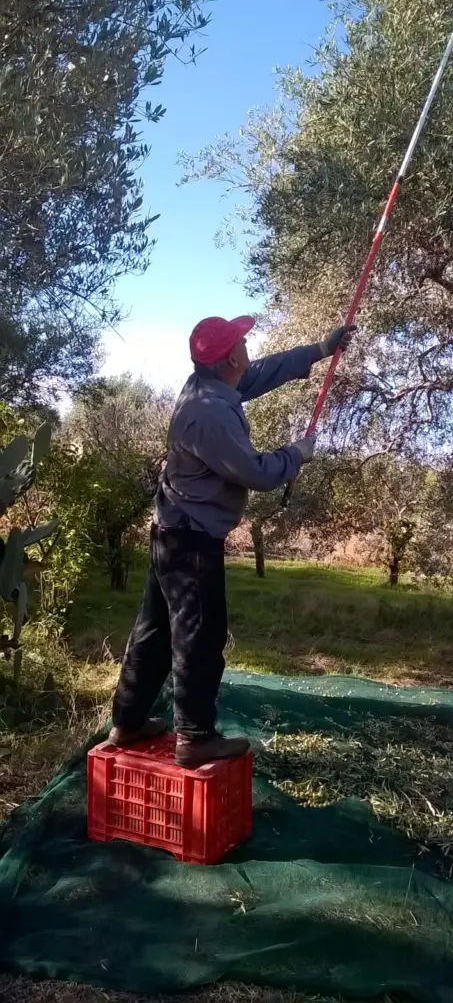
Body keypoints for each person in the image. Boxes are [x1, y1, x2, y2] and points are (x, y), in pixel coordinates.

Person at [109, 314, 355, 766]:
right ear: (230, 356)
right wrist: (296, 454)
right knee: (199, 637)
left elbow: (256, 375)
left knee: (156, 630)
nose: (248, 345)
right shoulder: (211, 414)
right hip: (191, 540)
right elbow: (257, 472)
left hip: (172, 532)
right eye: (242, 340)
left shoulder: (205, 387)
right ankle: (196, 738)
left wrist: (320, 348)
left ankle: (127, 722)